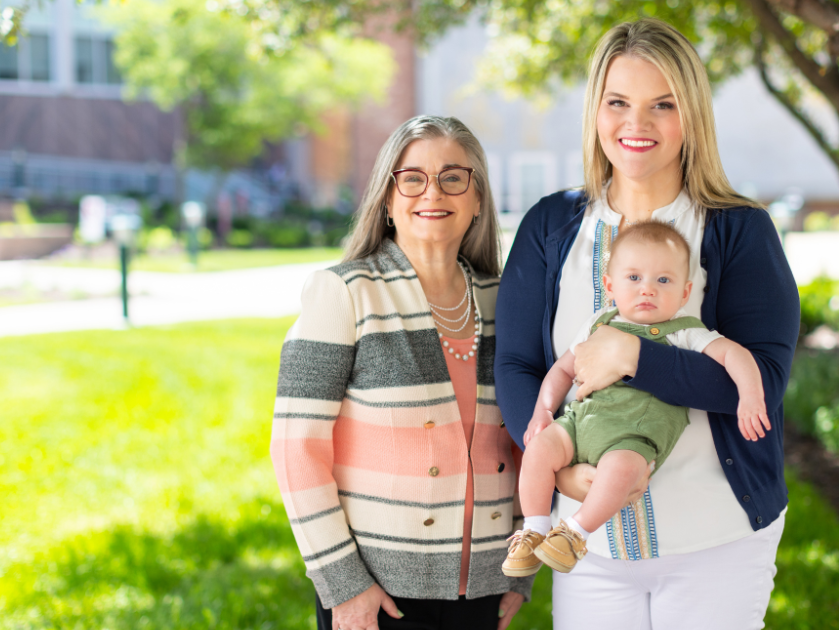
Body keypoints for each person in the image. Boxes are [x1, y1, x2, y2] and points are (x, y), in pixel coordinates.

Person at [494, 18, 800, 630]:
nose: (637, 124)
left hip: (716, 534)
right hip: (587, 545)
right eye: (618, 103)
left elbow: (760, 380)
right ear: (596, 111)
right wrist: (557, 464)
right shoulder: (551, 227)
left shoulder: (737, 229)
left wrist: (634, 358)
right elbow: (518, 364)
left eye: (663, 104)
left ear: (691, 116)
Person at [271, 115, 531, 630]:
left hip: (485, 586)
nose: (432, 192)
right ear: (387, 200)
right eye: (412, 178)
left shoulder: (506, 301)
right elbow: (295, 449)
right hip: (376, 593)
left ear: (477, 199)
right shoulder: (344, 293)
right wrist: (345, 584)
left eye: (454, 177)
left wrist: (519, 570)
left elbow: (527, 441)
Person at [501, 221, 771, 577]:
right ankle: (534, 530)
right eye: (634, 278)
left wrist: (750, 398)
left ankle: (574, 533)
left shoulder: (685, 331)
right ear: (610, 287)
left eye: (663, 280)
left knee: (625, 471)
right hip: (580, 423)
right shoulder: (599, 323)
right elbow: (563, 370)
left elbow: (736, 355)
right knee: (538, 449)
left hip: (632, 437)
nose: (648, 290)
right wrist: (543, 411)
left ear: (685, 291)